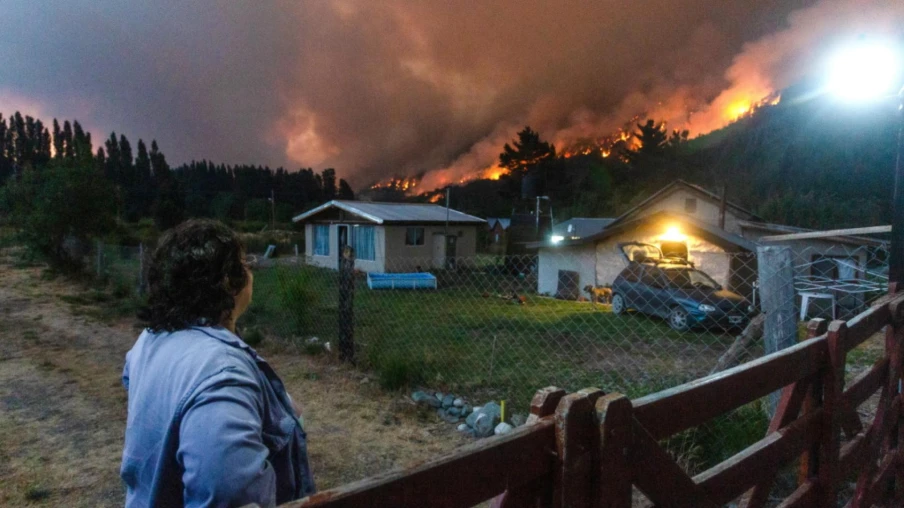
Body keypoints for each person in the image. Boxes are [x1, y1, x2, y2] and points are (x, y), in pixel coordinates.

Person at [120, 219, 315, 507]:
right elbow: (230, 493)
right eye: (244, 262)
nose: (250, 270)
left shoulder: (150, 340)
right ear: (227, 280)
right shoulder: (223, 372)